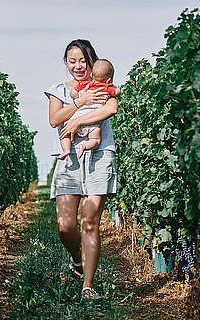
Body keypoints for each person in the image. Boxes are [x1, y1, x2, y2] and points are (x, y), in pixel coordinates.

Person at [44, 39, 118, 298]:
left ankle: (88, 285)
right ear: (66, 63)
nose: (77, 66)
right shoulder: (59, 90)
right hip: (69, 160)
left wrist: (77, 123)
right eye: (72, 61)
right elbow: (54, 119)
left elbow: (111, 108)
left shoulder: (102, 86)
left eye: (83, 61)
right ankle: (78, 259)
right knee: (65, 226)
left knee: (89, 222)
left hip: (99, 156)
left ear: (92, 62)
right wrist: (80, 102)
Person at [57, 59, 121, 160]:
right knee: (95, 139)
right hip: (94, 120)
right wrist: (112, 85)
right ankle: (85, 146)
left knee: (65, 133)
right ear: (109, 79)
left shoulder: (85, 84)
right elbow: (117, 92)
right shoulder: (107, 87)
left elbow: (73, 93)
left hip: (78, 115)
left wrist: (77, 95)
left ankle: (66, 149)